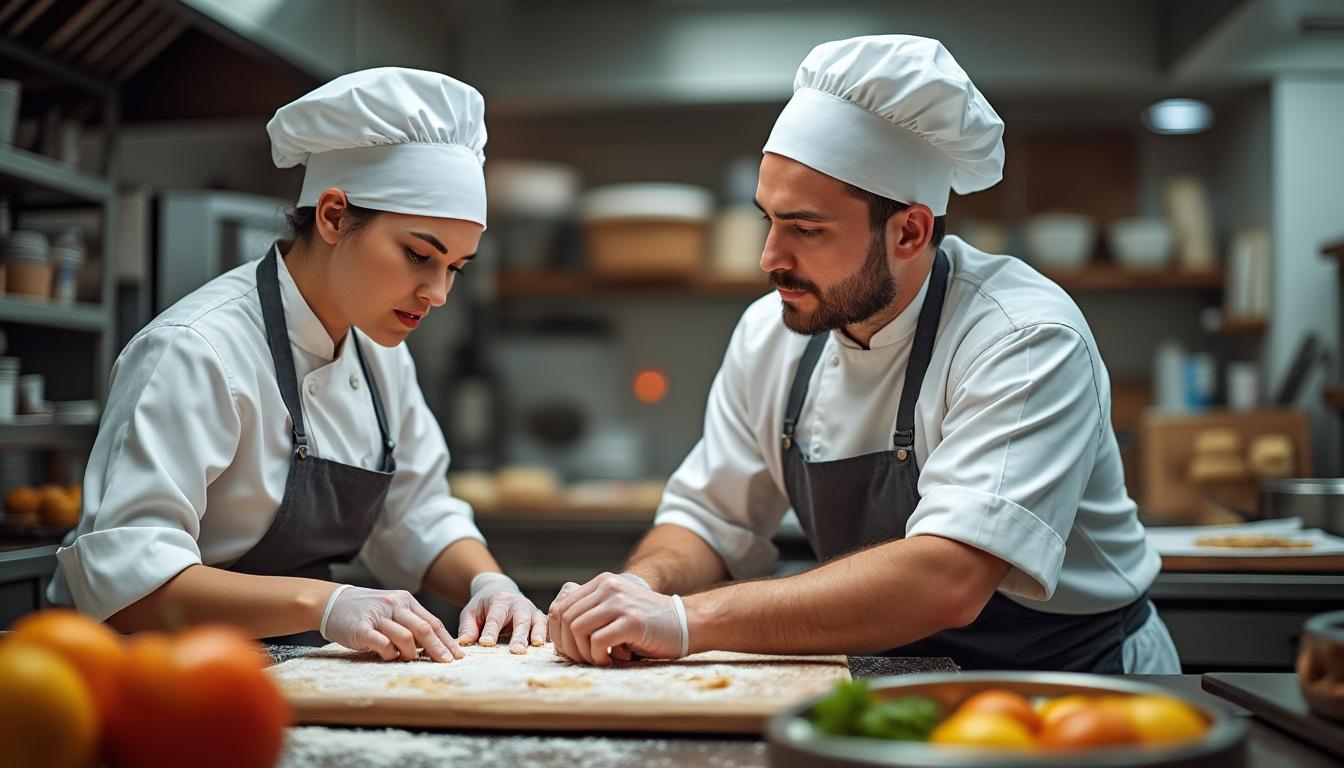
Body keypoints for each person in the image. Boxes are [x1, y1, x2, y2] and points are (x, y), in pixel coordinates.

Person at [549, 35, 1181, 674]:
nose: (769, 257)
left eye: (806, 228)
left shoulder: (1022, 337)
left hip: (1073, 679)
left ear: (910, 231)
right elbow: (710, 519)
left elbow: (948, 577)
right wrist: (639, 593)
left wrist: (689, 622)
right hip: (891, 676)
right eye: (768, 219)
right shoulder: (770, 334)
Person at [49, 68, 546, 661]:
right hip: (148, 673)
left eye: (455, 268)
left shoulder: (378, 351)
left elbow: (417, 512)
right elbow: (126, 583)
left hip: (276, 667)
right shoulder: (196, 349)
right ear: (333, 216)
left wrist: (489, 584)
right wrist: (326, 604)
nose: (437, 292)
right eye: (418, 255)